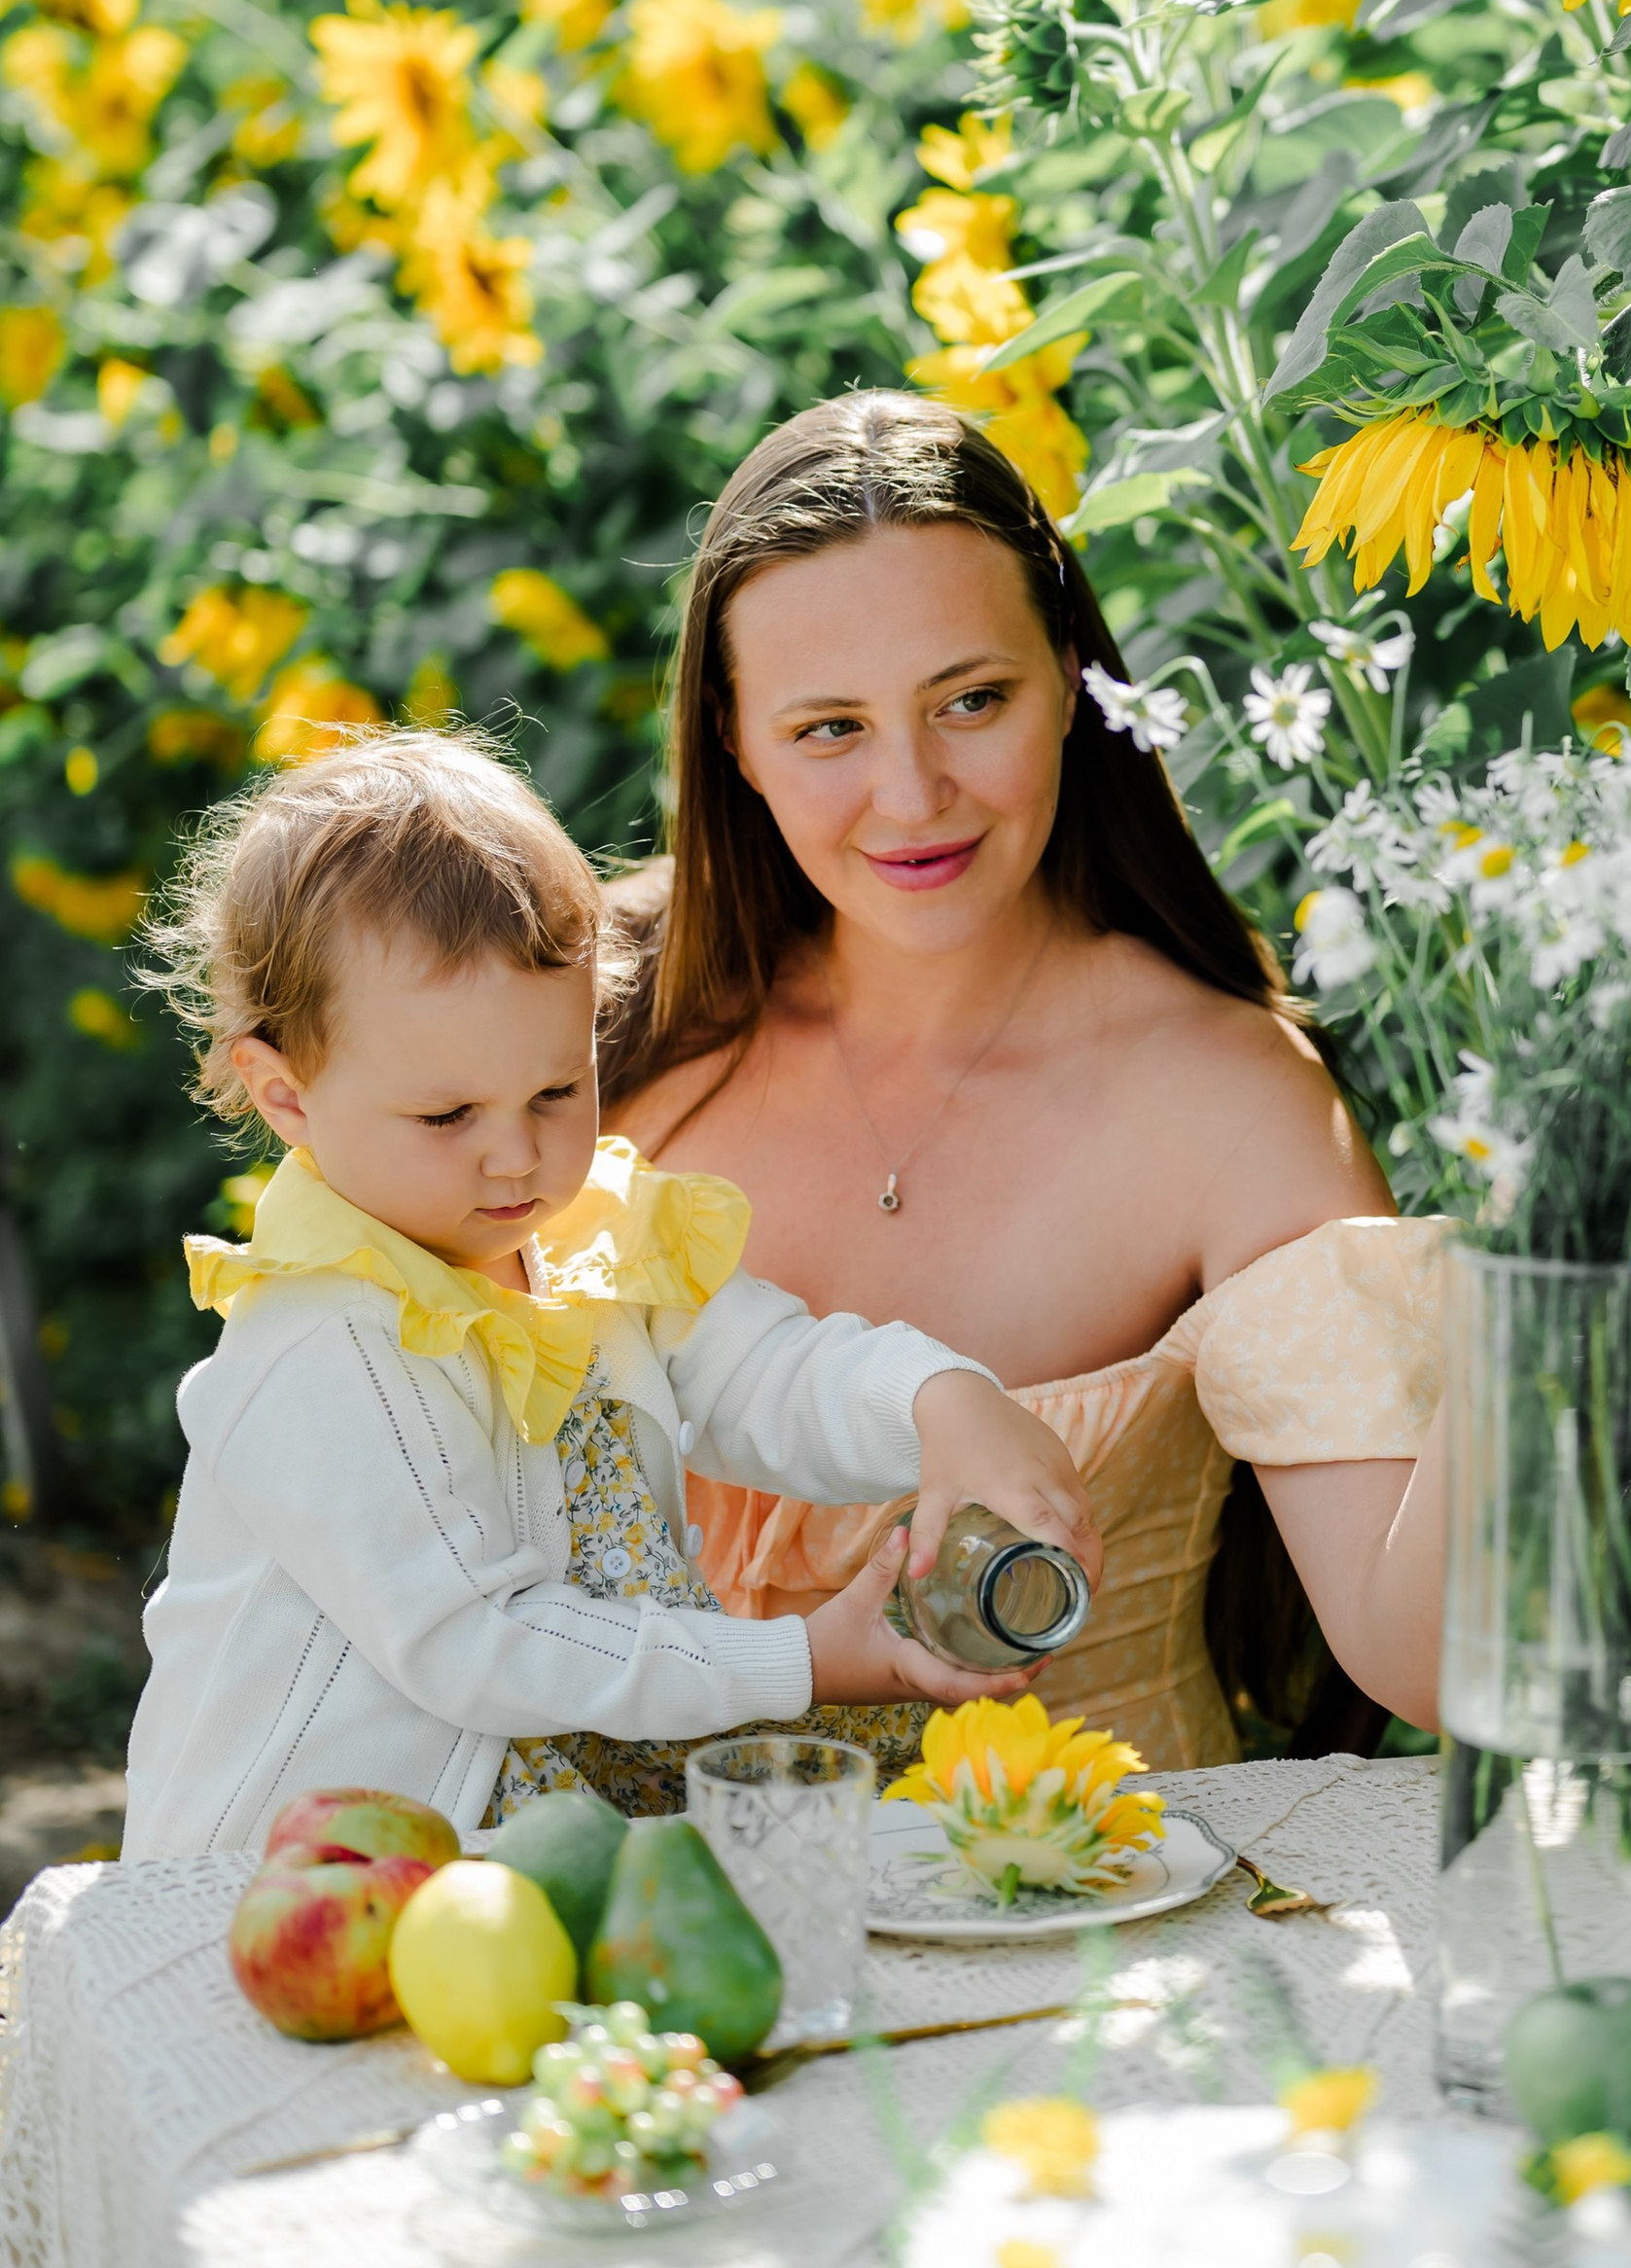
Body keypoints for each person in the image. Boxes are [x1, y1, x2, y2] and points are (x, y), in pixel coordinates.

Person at [603, 388, 1448, 1771]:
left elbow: (1412, 1658)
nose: (914, 792)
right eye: (830, 729)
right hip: (622, 1933)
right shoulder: (597, 1036)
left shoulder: (1233, 1099)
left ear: (1067, 676)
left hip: (1103, 1928)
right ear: (733, 734)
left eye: (971, 700)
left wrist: (1544, 1278)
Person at [123, 731, 1099, 1860]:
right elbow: (480, 1640)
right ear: (285, 1094)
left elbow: (769, 1371)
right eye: (448, 1117)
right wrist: (802, 1658)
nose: (515, 1157)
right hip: (325, 1860)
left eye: (557, 1088)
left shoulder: (587, 1236)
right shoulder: (320, 1342)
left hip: (572, 1795)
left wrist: (939, 1399)